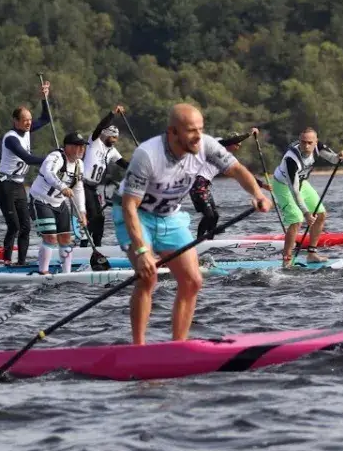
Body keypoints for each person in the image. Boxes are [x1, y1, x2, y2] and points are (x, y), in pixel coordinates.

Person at [115, 103, 273, 345]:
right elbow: (129, 207)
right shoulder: (147, 155)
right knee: (147, 277)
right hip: (137, 215)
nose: (198, 136)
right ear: (172, 132)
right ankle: (138, 347)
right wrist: (142, 251)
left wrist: (257, 194)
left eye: (200, 128)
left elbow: (237, 170)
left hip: (169, 217)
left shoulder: (206, 145)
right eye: (191, 130)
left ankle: (178, 346)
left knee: (193, 281)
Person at [271, 127, 343, 267]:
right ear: (299, 141)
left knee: (321, 214)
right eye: (303, 142)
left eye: (309, 143)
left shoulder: (318, 146)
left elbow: (333, 159)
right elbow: (294, 191)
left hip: (301, 182)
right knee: (296, 219)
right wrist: (306, 213)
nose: (306, 146)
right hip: (283, 185)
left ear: (315, 142)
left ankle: (312, 254)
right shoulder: (291, 160)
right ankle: (287, 260)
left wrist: (340, 155)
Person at [0, 82, 52, 266]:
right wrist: (51, 158)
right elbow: (27, 158)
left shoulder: (27, 130)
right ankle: (6, 261)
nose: (29, 123)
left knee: (26, 227)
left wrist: (44, 98)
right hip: (4, 185)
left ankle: (21, 263)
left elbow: (46, 119)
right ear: (16, 121)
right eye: (25, 120)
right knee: (14, 226)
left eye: (30, 120)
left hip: (18, 185)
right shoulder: (11, 138)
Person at [28, 132, 89, 275]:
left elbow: (78, 189)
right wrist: (62, 187)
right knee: (50, 238)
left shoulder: (79, 164)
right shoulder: (55, 157)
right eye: (78, 146)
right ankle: (43, 272)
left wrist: (82, 212)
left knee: (66, 238)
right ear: (68, 147)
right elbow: (48, 173)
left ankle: (66, 274)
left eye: (83, 146)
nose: (82, 149)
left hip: (59, 203)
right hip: (40, 200)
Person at [190, 128, 260, 240]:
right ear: (232, 142)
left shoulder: (228, 158)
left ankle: (209, 241)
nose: (238, 147)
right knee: (209, 216)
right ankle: (199, 241)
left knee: (215, 216)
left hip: (205, 186)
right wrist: (249, 134)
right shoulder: (217, 144)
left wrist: (263, 185)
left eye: (239, 146)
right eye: (237, 144)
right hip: (197, 184)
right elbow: (229, 141)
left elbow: (242, 174)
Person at [81, 105, 130, 251]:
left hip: (95, 188)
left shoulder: (112, 151)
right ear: (106, 135)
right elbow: (100, 126)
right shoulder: (94, 141)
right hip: (83, 185)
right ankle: (83, 246)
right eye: (112, 137)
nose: (115, 140)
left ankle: (98, 247)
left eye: (116, 138)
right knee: (92, 214)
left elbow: (125, 164)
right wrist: (112, 114)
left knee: (100, 218)